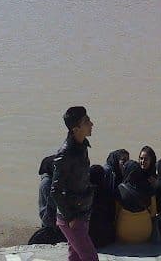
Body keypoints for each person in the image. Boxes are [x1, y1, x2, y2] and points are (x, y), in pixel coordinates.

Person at [51, 106, 98, 261]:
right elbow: (55, 190)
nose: (91, 124)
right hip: (72, 217)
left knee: (76, 256)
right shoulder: (65, 154)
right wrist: (70, 217)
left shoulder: (82, 146)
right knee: (90, 257)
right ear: (75, 128)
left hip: (83, 212)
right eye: (86, 121)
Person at [115, 160, 157, 244]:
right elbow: (153, 212)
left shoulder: (120, 189)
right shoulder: (149, 187)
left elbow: (116, 213)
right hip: (145, 233)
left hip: (124, 234)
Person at [28, 154, 66, 245]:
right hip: (50, 223)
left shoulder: (48, 181)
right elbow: (50, 206)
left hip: (51, 220)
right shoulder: (47, 184)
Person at [88, 164, 116, 248]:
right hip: (105, 239)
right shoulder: (106, 192)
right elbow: (112, 215)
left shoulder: (85, 192)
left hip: (87, 238)